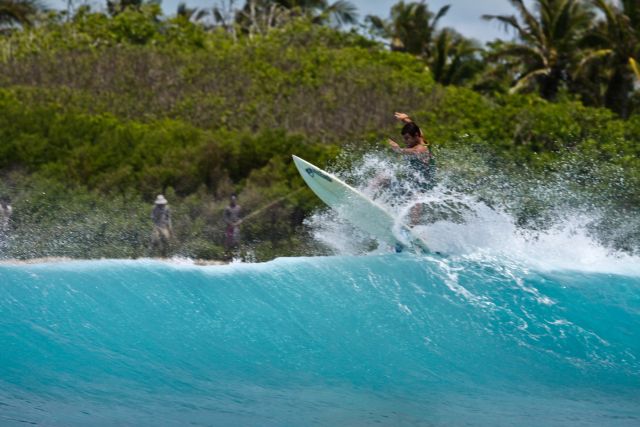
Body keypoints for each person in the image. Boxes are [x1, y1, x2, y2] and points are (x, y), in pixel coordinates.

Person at [387, 112, 436, 225]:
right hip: (412, 183)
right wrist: (406, 119)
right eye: (404, 138)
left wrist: (398, 149)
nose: (405, 141)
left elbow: (409, 152)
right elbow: (416, 127)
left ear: (416, 136)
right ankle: (367, 193)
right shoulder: (419, 136)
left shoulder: (421, 149)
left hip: (425, 186)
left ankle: (414, 226)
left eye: (407, 138)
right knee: (384, 176)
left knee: (416, 196)